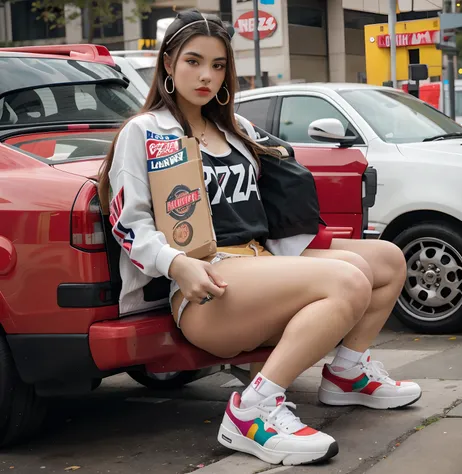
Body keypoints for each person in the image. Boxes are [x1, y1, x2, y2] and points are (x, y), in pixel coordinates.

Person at [98, 9, 421, 466]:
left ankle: (347, 373)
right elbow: (129, 222)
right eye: (193, 61)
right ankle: (252, 411)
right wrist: (177, 263)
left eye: (218, 64)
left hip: (258, 262)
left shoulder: (237, 128)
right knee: (347, 280)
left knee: (386, 259)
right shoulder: (146, 131)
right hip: (207, 282)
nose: (206, 75)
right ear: (167, 63)